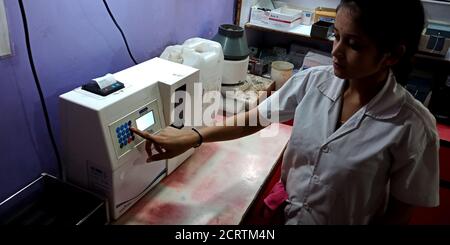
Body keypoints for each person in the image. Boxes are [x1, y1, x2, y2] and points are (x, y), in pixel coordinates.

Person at [131, 0, 440, 225]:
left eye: (354, 44)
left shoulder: (412, 126)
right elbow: (256, 118)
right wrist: (193, 136)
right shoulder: (313, 82)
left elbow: (399, 213)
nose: (336, 51)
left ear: (393, 54)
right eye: (336, 35)